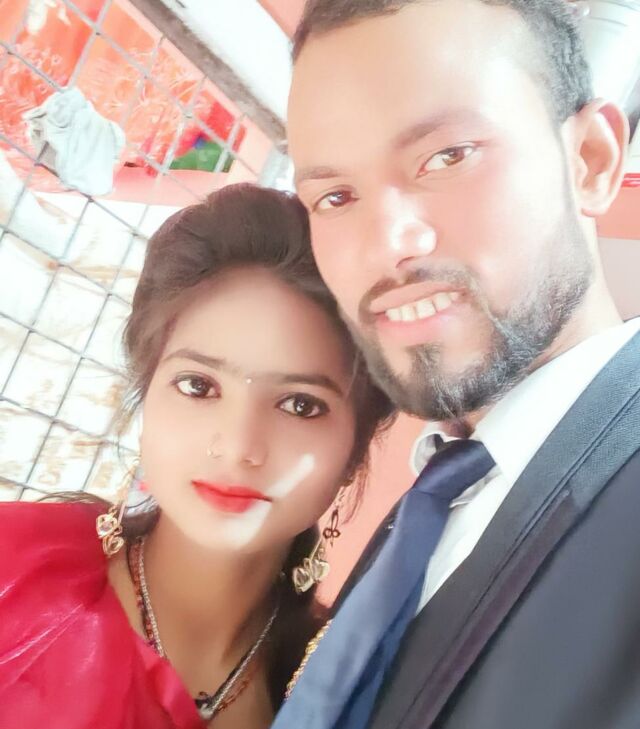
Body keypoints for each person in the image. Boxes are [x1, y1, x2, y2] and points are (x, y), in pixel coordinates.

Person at [275, 1, 640, 728]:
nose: (387, 244)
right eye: (335, 196)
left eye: (448, 156)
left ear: (590, 161)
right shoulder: (434, 502)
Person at [0, 184, 393, 729]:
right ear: (145, 392)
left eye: (300, 404)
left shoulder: (351, 693)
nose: (238, 446)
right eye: (198, 386)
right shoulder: (14, 575)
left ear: (356, 448)